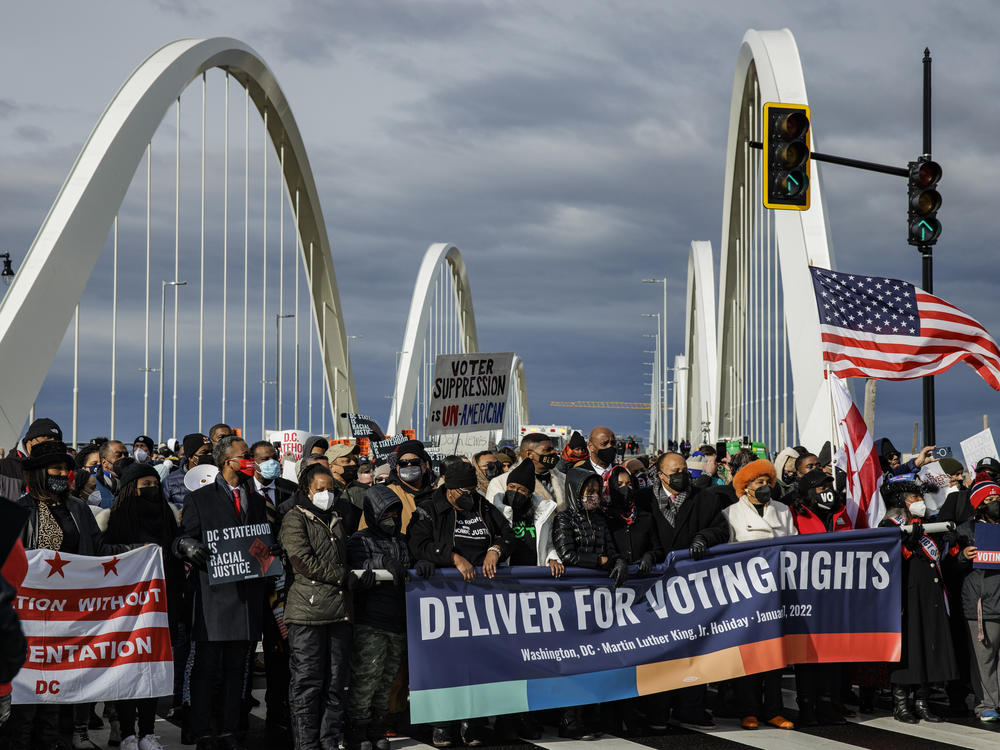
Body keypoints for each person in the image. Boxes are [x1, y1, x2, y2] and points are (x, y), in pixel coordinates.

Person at [12, 440, 131, 750]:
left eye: (66, 469)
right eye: (56, 469)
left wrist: (137, 553)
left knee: (63, 689)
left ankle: (60, 741)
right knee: (28, 699)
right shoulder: (20, 510)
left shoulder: (77, 507)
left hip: (70, 615)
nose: (63, 474)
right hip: (30, 618)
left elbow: (99, 551)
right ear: (38, 473)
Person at [174, 435, 271, 750]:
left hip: (247, 597)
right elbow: (182, 537)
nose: (250, 461)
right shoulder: (200, 498)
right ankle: (201, 730)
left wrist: (270, 556)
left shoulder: (256, 500)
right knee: (206, 667)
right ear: (227, 460)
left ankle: (229, 729)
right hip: (213, 597)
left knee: (236, 668)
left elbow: (261, 543)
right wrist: (187, 546)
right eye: (245, 455)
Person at [408, 462, 514, 748]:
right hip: (444, 598)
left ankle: (475, 722)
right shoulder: (429, 508)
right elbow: (417, 544)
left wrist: (495, 549)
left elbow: (507, 533)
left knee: (478, 660)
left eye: (473, 489)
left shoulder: (481, 506)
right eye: (464, 491)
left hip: (481, 598)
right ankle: (443, 723)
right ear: (450, 489)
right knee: (445, 663)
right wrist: (452, 557)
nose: (470, 495)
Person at [105, 463, 184, 750]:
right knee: (128, 669)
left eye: (155, 482)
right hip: (128, 607)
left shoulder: (167, 516)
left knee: (152, 668)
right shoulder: (116, 520)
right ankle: (127, 731)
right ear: (131, 489)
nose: (152, 488)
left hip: (162, 604)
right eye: (145, 484)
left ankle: (148, 732)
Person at [279, 463, 354, 750]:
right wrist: (341, 576)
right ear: (306, 490)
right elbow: (302, 561)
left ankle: (329, 741)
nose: (326, 494)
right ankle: (307, 745)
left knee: (336, 684)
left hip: (339, 611)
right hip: (307, 613)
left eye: (331, 489)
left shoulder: (337, 517)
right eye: (320, 489)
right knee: (307, 684)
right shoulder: (295, 519)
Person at [877, 474, 958, 724]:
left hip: (929, 592)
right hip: (906, 595)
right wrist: (908, 539)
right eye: (915, 497)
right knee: (909, 647)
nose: (920, 500)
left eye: (921, 496)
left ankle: (922, 700)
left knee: (929, 644)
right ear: (902, 500)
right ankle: (901, 702)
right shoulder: (888, 525)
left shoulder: (927, 523)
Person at [722, 459, 795, 730]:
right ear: (746, 486)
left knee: (776, 655)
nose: (765, 487)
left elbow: (794, 546)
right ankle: (748, 710)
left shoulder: (783, 511)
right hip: (748, 595)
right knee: (749, 655)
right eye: (759, 483)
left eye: (768, 482)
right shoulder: (731, 513)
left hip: (777, 592)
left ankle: (774, 709)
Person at [345, 484, 410, 750]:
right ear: (373, 514)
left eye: (395, 514)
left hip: (398, 621)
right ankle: (356, 729)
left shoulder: (402, 541)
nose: (391, 520)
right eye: (385, 515)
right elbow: (357, 564)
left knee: (387, 679)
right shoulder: (359, 540)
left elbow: (411, 564)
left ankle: (377, 726)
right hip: (370, 621)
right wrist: (381, 564)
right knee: (366, 678)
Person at [953, 482, 1000, 721]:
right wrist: (962, 556)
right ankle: (985, 704)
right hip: (982, 605)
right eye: (991, 499)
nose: (996, 503)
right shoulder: (964, 530)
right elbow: (946, 563)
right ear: (980, 505)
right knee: (984, 658)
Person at [359, 440, 433, 535]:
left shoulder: (437, 496)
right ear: (397, 468)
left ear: (424, 466)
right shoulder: (383, 496)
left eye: (415, 462)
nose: (409, 465)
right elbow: (364, 534)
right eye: (403, 463)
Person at [487, 432, 568, 513]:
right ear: (529, 454)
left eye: (552, 449)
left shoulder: (564, 479)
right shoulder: (500, 482)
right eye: (547, 450)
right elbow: (496, 515)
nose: (553, 452)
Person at [0, 416, 62, 501]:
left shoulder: (59, 471)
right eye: (46, 441)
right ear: (30, 441)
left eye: (56, 443)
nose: (50, 448)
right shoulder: (4, 468)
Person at [163, 433, 213, 509]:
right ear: (191, 457)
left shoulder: (219, 477)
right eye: (204, 452)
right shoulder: (170, 481)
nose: (209, 455)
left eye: (211, 452)